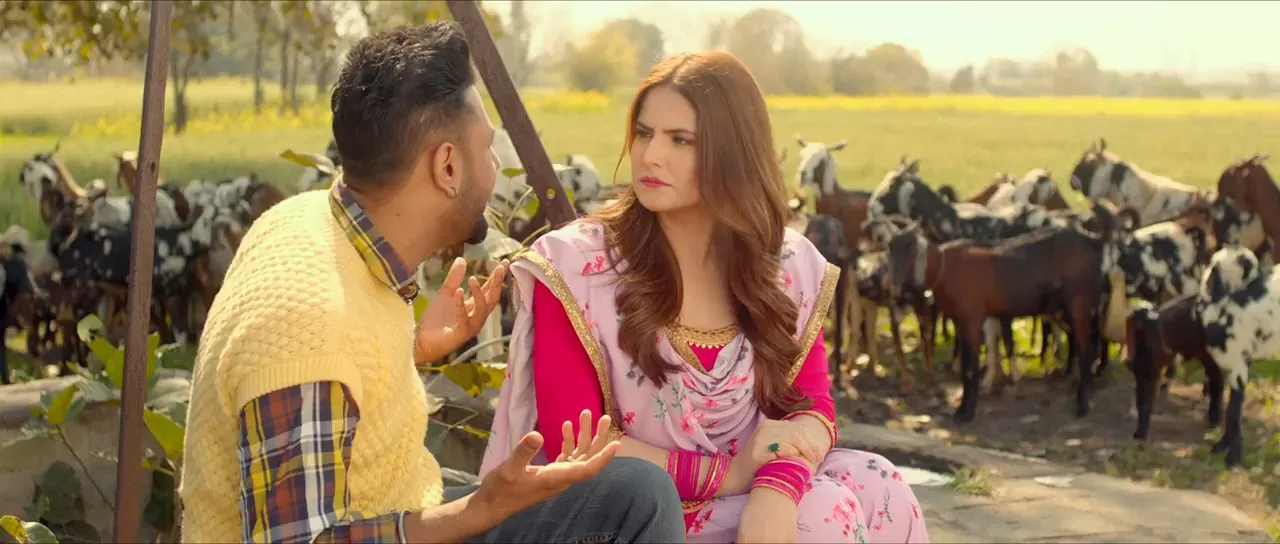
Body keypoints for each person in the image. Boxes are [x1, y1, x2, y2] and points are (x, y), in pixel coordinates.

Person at [179, 22, 686, 544]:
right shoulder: (306, 331)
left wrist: (415, 346)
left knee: (635, 494)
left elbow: (336, 385)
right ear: (447, 166)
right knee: (642, 501)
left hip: (397, 505)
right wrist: (478, 511)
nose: (494, 165)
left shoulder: (306, 218)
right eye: (487, 148)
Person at [481, 51, 931, 544]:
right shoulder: (575, 266)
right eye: (644, 133)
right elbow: (576, 444)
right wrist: (729, 475)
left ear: (734, 152)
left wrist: (777, 486)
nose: (651, 155)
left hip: (758, 485)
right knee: (824, 516)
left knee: (878, 482)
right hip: (638, 513)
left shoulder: (787, 263)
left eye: (681, 140)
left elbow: (813, 408)